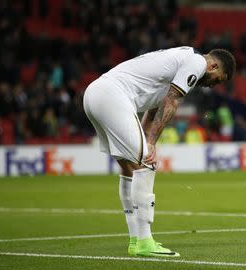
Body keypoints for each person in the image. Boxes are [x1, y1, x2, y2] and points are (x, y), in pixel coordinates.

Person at [83, 46, 235, 257]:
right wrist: (151, 143)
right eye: (217, 79)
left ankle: (136, 241)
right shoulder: (197, 62)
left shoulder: (177, 64)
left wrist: (147, 139)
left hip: (95, 94)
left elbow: (154, 108)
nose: (212, 86)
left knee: (129, 168)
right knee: (147, 164)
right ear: (214, 66)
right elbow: (172, 100)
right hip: (112, 96)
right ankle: (145, 241)